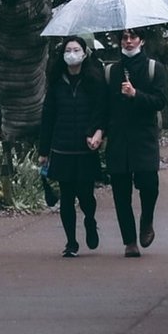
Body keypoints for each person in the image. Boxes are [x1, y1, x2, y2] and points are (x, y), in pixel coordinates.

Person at [37, 36, 107, 257]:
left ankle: (90, 220)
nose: (72, 54)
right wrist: (43, 151)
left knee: (86, 196)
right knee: (67, 196)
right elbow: (48, 117)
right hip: (62, 147)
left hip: (85, 148)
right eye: (68, 50)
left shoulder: (94, 81)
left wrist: (97, 132)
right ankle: (71, 243)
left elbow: (101, 111)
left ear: (85, 53)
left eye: (76, 49)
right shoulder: (57, 84)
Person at [104, 27, 167, 258]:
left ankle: (147, 219)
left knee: (149, 183)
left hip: (143, 137)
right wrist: (99, 131)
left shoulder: (154, 69)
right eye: (124, 37)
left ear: (142, 40)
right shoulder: (111, 71)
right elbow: (104, 106)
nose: (128, 41)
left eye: (133, 37)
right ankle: (129, 241)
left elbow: (160, 101)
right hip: (118, 138)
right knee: (121, 192)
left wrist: (136, 95)